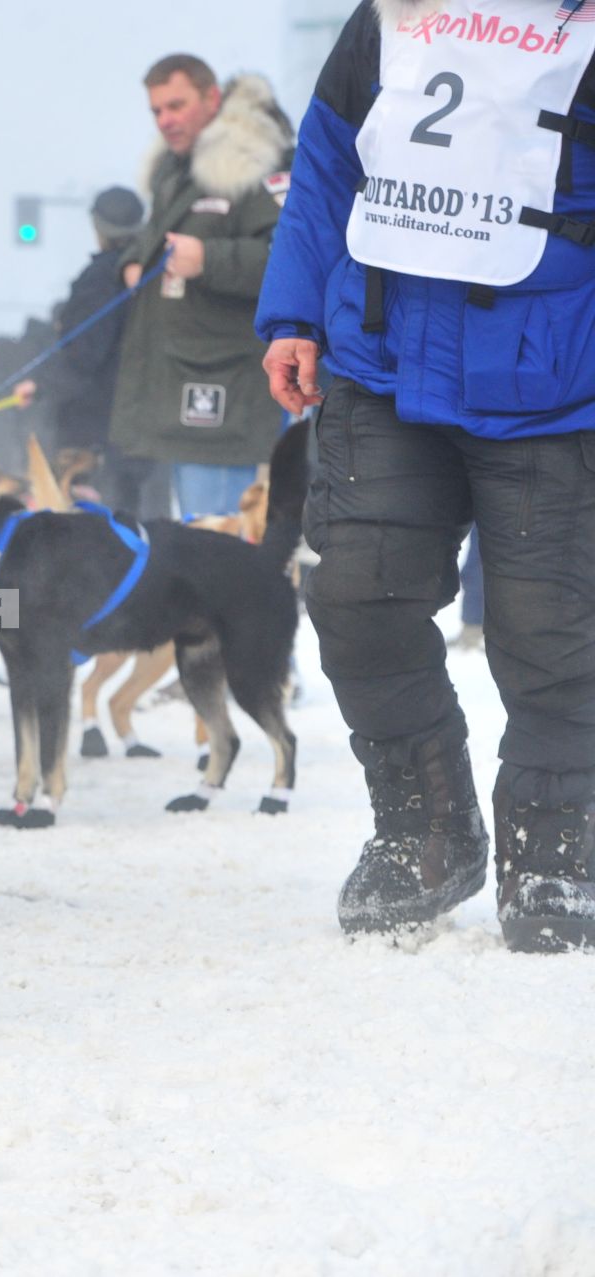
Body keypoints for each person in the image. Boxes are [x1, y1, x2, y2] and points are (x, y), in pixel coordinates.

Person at [258, 0, 595, 952]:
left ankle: (556, 855)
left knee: (550, 633)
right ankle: (425, 829)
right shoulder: (389, 15)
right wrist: (293, 313)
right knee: (359, 595)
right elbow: (328, 161)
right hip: (381, 353)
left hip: (557, 376)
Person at [108, 56, 292, 521]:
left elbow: (290, 261)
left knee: (219, 545)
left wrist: (209, 260)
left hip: (228, 392)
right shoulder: (177, 171)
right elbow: (156, 238)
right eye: (156, 111)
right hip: (179, 386)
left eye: (176, 105)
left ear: (212, 98)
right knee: (195, 543)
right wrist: (134, 262)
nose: (165, 120)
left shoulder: (257, 164)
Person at [24, 186, 147, 473]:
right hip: (145, 417)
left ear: (97, 226)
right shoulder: (155, 272)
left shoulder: (101, 278)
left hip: (96, 420)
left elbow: (84, 351)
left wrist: (41, 384)